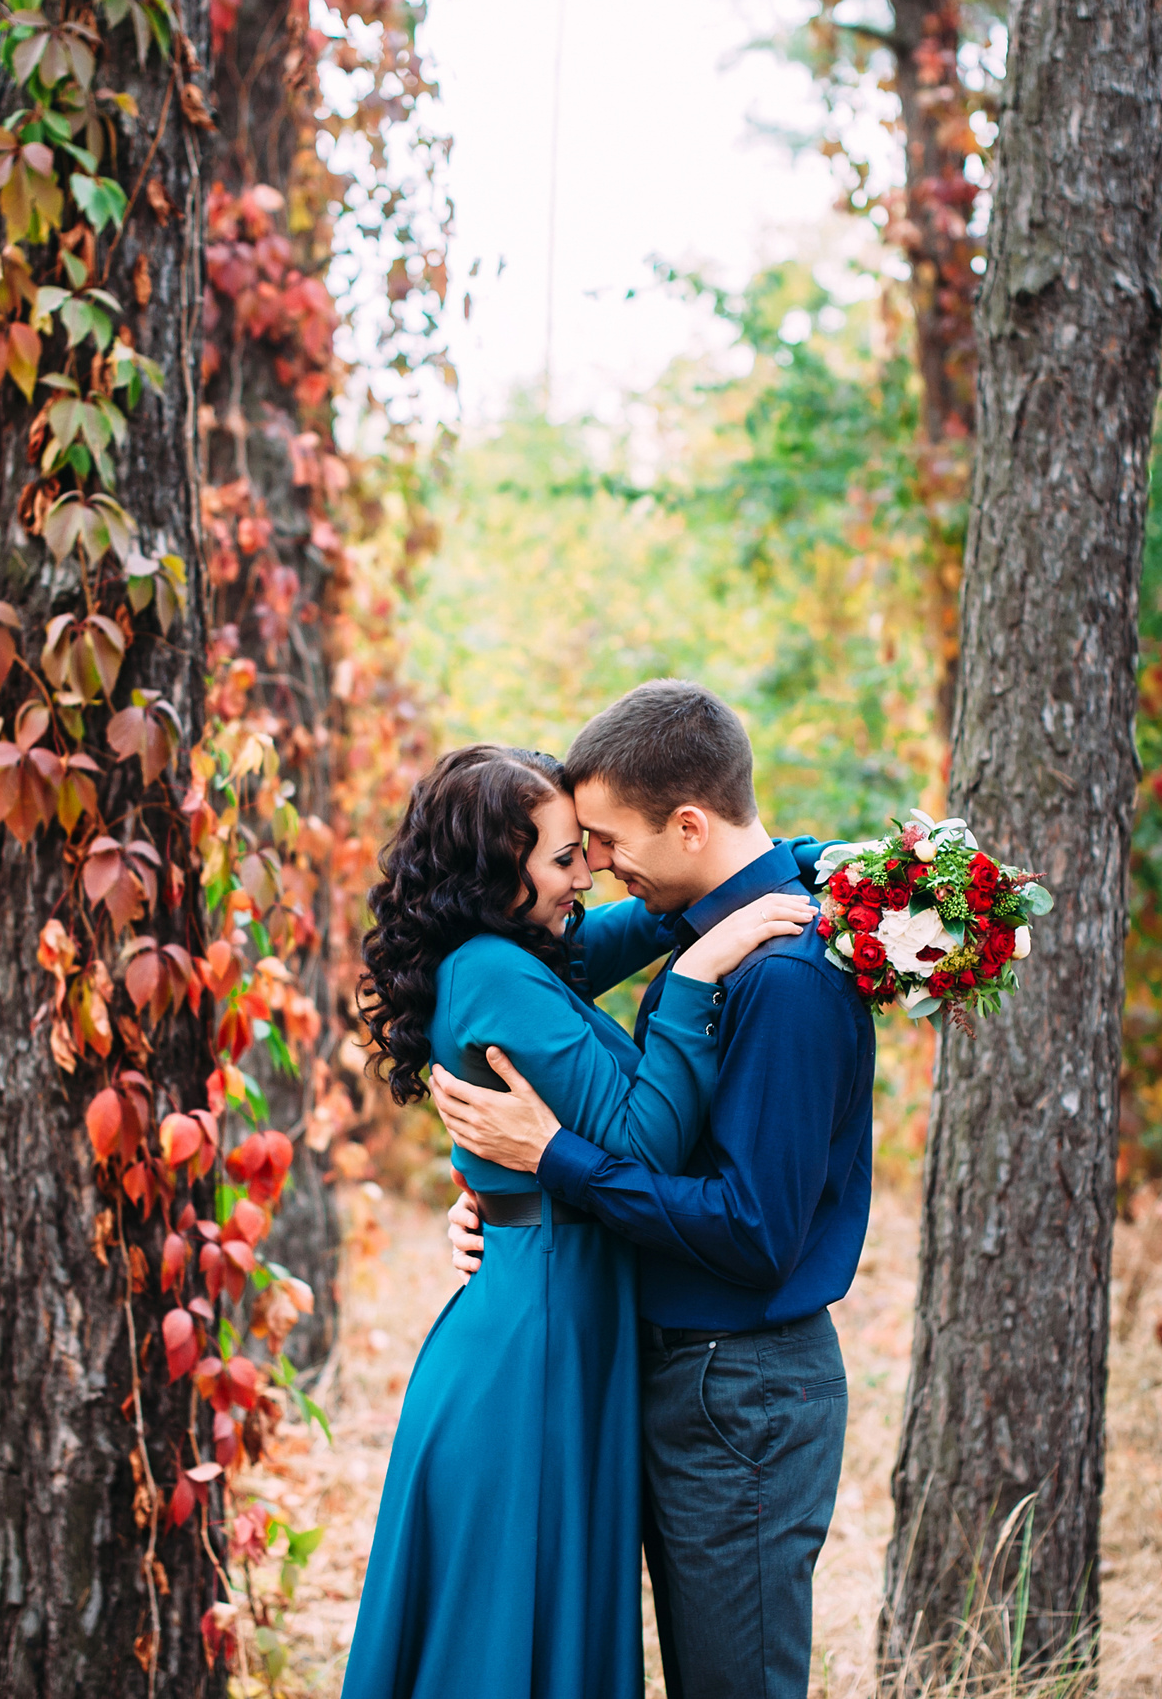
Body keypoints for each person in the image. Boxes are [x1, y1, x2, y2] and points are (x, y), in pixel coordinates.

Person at [341, 742, 818, 1699]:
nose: (588, 873)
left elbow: (644, 915)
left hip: (558, 1306)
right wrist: (698, 974)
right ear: (495, 872)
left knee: (542, 1623)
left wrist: (806, 859)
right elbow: (642, 1141)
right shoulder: (494, 971)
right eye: (565, 858)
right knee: (505, 1639)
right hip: (536, 1345)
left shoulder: (517, 956)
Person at [432, 680, 879, 1699]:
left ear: (686, 826)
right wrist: (507, 1203)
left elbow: (753, 1231)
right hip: (684, 1370)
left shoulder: (781, 977)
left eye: (603, 840)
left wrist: (556, 1163)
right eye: (575, 849)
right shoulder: (708, 937)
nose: (595, 866)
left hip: (741, 1384)